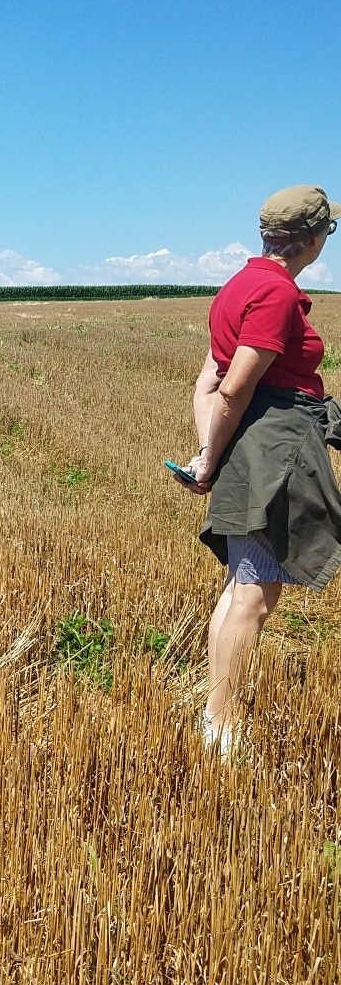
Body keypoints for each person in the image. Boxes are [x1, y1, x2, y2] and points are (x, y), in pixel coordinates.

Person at [175, 185, 341, 756]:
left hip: (250, 447)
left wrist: (208, 454)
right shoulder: (275, 293)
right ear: (312, 239)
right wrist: (211, 460)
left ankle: (213, 718)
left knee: (241, 587)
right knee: (257, 594)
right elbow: (237, 386)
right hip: (274, 451)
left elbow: (208, 383)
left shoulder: (238, 287)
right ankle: (223, 730)